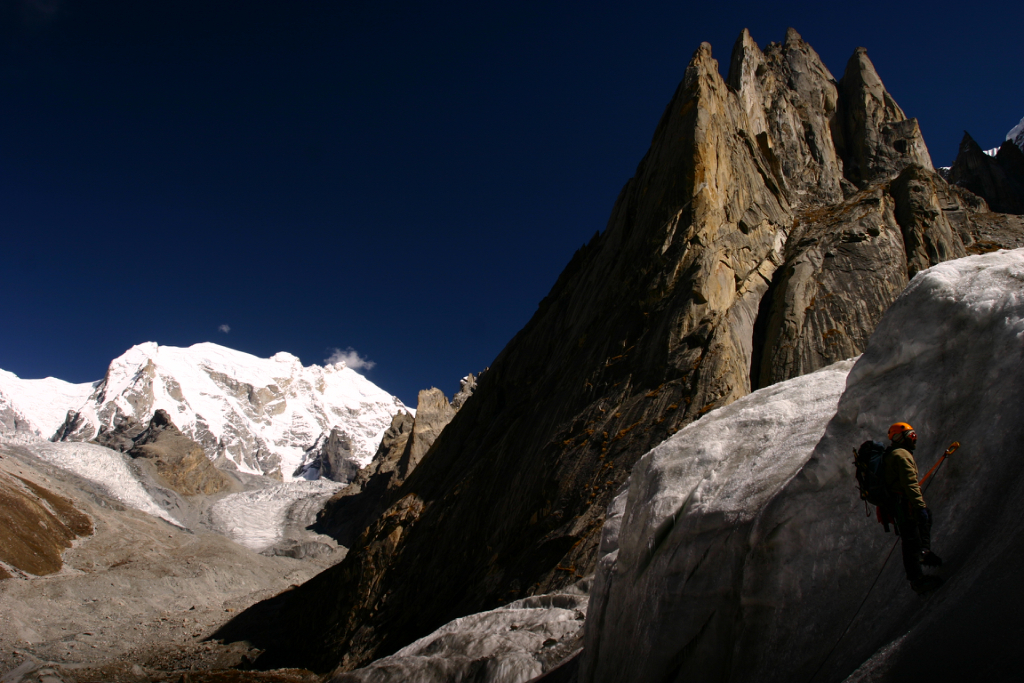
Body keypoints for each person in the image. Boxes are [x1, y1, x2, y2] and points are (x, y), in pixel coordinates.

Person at [885, 422, 943, 594]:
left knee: (911, 537)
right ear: (900, 437)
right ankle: (917, 579)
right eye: (911, 436)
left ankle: (923, 554)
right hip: (903, 504)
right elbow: (910, 484)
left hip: (897, 504)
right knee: (911, 539)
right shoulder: (901, 456)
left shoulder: (893, 454)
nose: (914, 439)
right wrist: (919, 506)